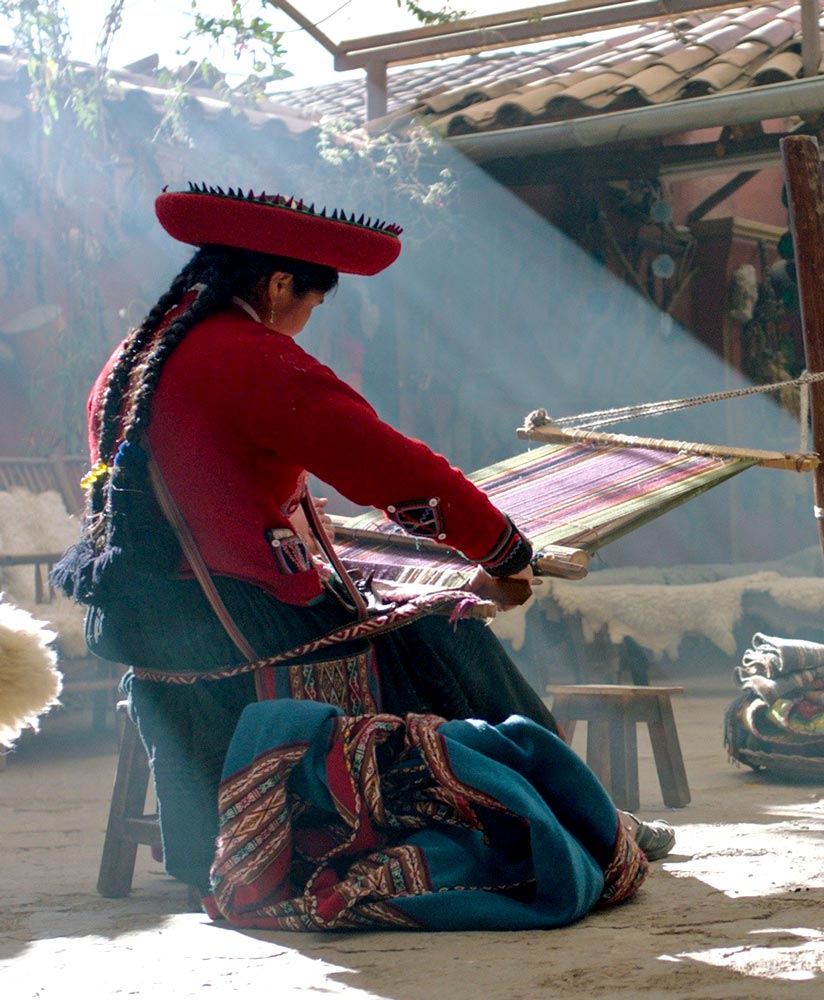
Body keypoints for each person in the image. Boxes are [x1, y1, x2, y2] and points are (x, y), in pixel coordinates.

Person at [52, 184, 673, 896]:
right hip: (240, 628)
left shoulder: (131, 360)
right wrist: (504, 551)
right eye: (312, 304)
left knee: (405, 607)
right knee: (449, 624)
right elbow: (394, 467)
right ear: (279, 282)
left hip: (140, 626)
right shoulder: (250, 358)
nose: (308, 322)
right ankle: (581, 816)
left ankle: (531, 803)